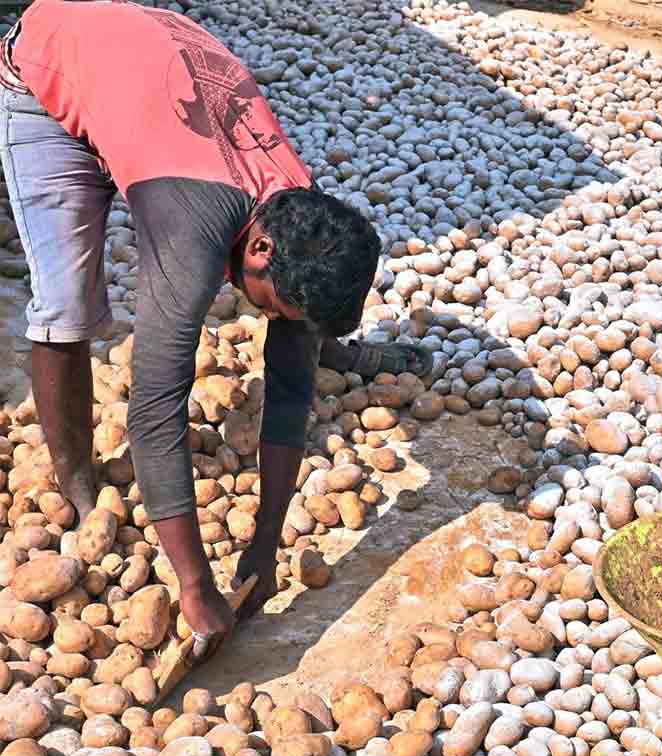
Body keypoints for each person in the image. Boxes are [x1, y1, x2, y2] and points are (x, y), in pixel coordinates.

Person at [0, 0, 430, 663]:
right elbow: (154, 409)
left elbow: (289, 388)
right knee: (65, 304)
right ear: (257, 249)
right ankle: (78, 484)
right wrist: (196, 588)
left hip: (148, 74)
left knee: (299, 331)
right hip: (48, 75)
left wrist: (267, 540)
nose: (274, 322)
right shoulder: (192, 228)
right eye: (276, 311)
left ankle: (330, 345)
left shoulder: (300, 208)